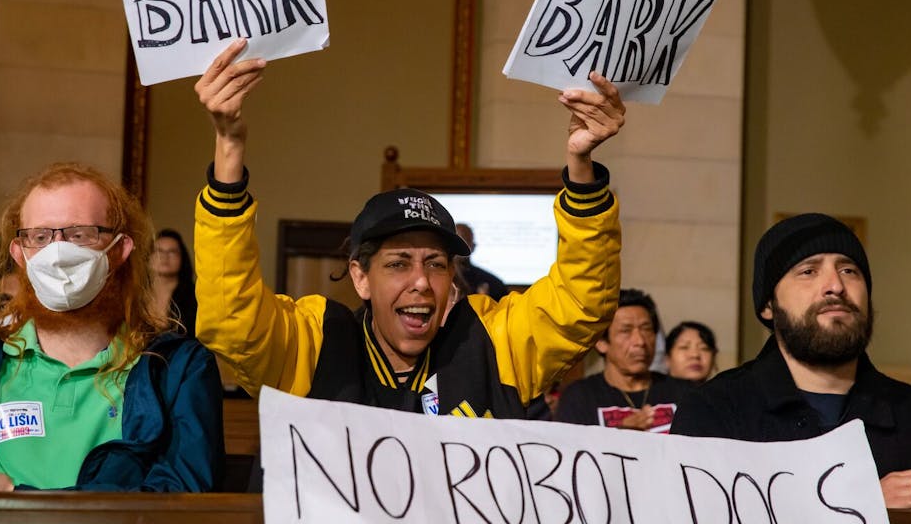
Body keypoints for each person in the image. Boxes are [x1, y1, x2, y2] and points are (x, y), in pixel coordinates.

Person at [194, 38, 624, 419]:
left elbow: (581, 303)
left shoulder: (492, 342)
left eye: (436, 264)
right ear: (360, 276)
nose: (421, 281)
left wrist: (581, 167)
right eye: (399, 263)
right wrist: (228, 145)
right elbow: (233, 320)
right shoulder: (314, 344)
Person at [0, 163, 223, 492]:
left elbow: (178, 506)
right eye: (40, 237)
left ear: (120, 250)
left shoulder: (175, 372)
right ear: (20, 254)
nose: (57, 252)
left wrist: (12, 500)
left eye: (80, 234)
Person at [671, 213, 911, 509]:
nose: (835, 286)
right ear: (767, 305)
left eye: (849, 271)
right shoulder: (715, 411)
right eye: (808, 271)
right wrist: (862, 504)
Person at [555, 288, 694, 432]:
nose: (640, 341)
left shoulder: (684, 393)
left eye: (646, 329)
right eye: (626, 331)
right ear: (601, 343)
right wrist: (621, 436)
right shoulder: (579, 397)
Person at [151, 228, 198, 337]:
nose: (164, 257)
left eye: (172, 252)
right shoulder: (136, 296)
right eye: (159, 251)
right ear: (149, 257)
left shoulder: (195, 296)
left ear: (182, 258)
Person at [454, 223, 509, 300]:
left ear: (473, 246)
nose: (460, 247)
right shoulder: (438, 280)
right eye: (456, 242)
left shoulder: (494, 284)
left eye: (464, 242)